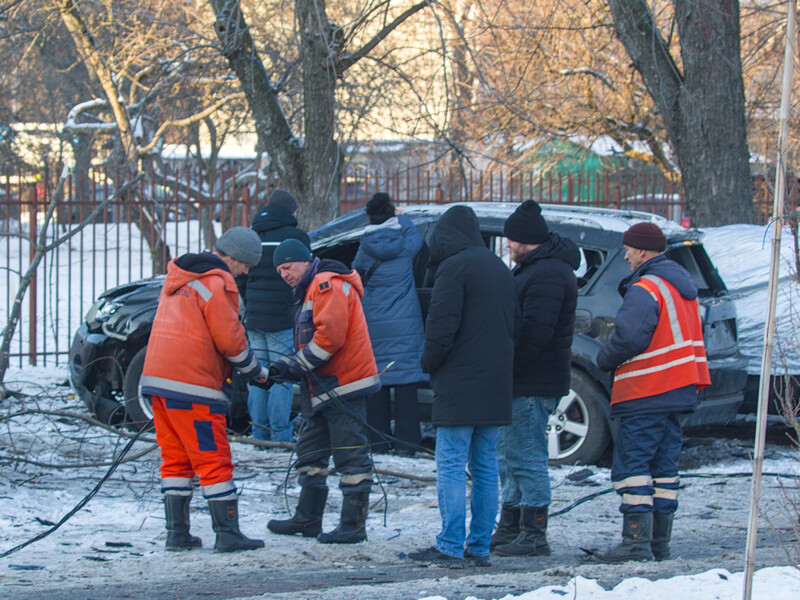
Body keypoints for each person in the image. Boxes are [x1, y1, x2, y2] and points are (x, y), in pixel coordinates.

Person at [140, 226, 268, 553]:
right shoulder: (217, 281)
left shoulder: (179, 277)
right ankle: (228, 533)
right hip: (193, 384)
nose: (247, 272)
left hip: (158, 380)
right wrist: (255, 370)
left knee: (175, 459)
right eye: (247, 264)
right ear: (234, 258)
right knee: (212, 458)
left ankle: (177, 533)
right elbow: (229, 338)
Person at [590, 222, 710, 563]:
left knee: (633, 466)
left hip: (645, 390)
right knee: (665, 469)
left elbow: (629, 338)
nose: (625, 255)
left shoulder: (646, 288)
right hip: (678, 390)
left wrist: (603, 358)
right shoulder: (682, 286)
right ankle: (659, 543)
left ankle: (635, 543)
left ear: (642, 250)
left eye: (628, 249)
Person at [408, 205, 516, 567]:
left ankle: (450, 545)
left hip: (459, 382)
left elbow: (440, 329)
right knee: (485, 466)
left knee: (451, 463)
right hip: (496, 383)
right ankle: (480, 545)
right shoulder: (500, 269)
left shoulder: (453, 268)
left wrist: (428, 364)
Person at [266, 238, 380, 544]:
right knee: (310, 451)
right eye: (279, 270)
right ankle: (308, 519)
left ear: (304, 261)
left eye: (287, 267)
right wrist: (285, 366)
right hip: (322, 387)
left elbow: (329, 338)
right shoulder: (311, 287)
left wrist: (294, 365)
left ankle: (353, 525)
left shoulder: (326, 284)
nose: (284, 274)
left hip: (344, 385)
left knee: (350, 454)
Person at [492, 200, 579, 557]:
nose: (508, 245)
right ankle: (510, 525)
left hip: (532, 382)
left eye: (511, 239)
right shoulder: (537, 269)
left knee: (525, 456)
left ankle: (533, 533)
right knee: (509, 455)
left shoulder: (547, 274)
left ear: (526, 240)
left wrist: (507, 367)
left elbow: (534, 334)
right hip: (525, 381)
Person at [352, 192, 426, 455]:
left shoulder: (364, 248)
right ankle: (407, 444)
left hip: (374, 325)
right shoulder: (405, 246)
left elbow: (355, 276)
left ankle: (378, 443)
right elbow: (416, 237)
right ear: (391, 213)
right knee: (406, 384)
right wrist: (403, 219)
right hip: (404, 326)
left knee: (377, 383)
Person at [240, 189, 311, 442]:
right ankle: (281, 434)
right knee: (280, 378)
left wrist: (250, 301)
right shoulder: (296, 237)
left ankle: (259, 433)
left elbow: (240, 274)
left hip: (255, 319)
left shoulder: (252, 236)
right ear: (290, 211)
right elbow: (306, 278)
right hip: (283, 318)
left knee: (259, 376)